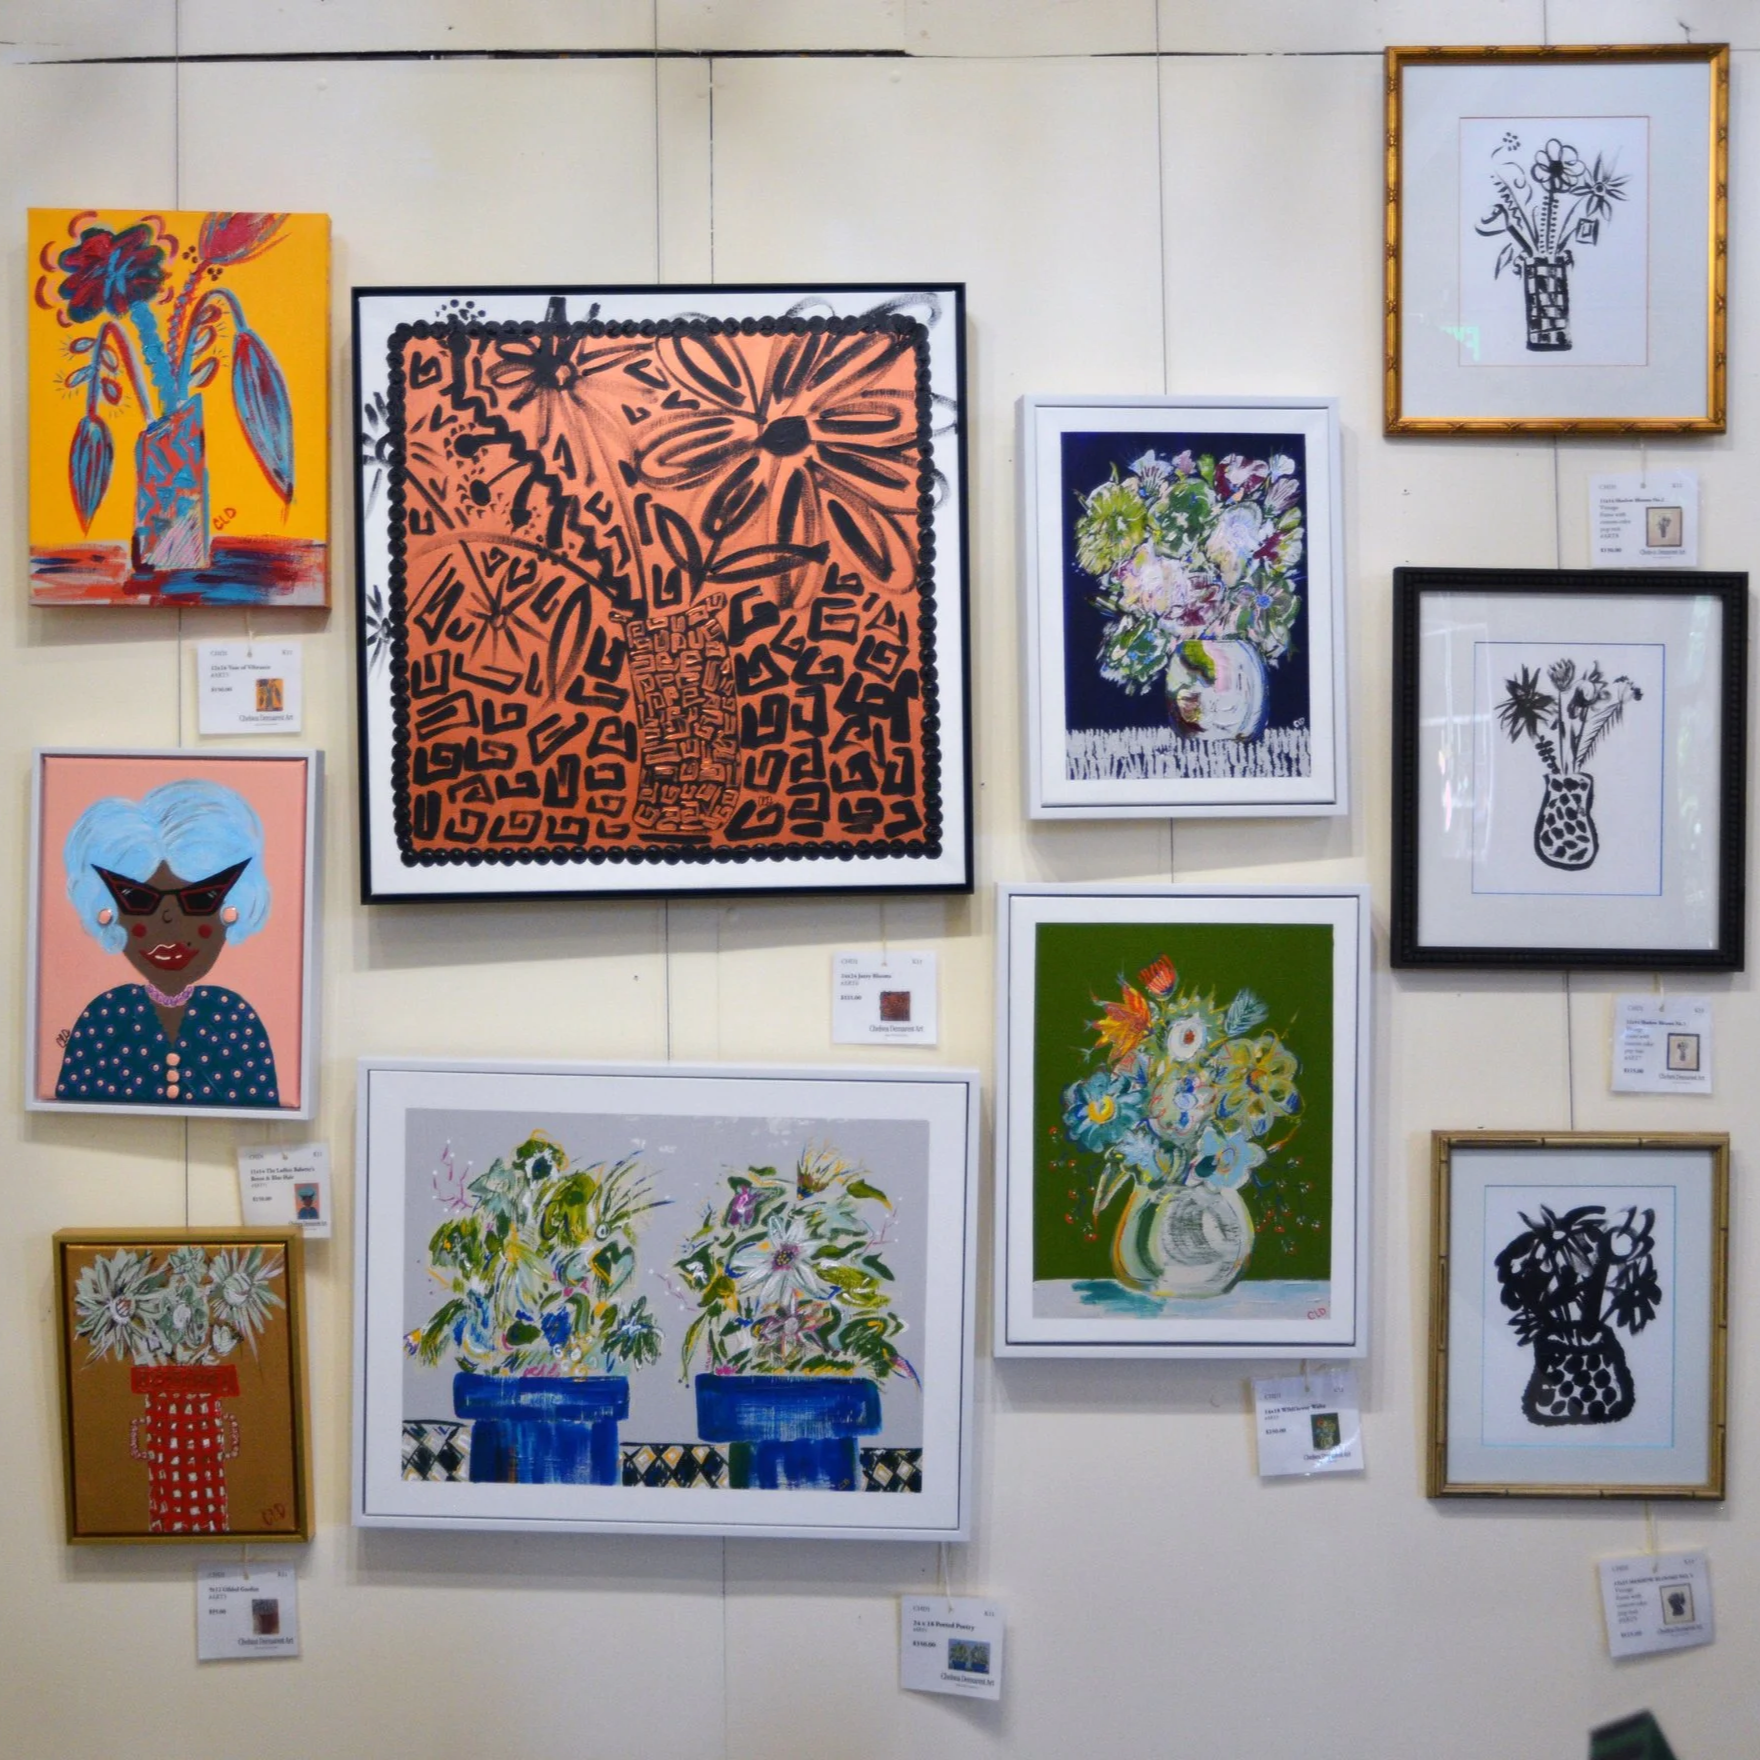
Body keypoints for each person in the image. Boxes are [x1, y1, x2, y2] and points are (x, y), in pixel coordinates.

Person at [56, 779, 279, 1107]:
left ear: (233, 906)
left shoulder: (235, 1020)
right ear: (107, 910)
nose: (169, 921)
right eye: (137, 898)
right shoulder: (103, 1019)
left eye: (201, 898)